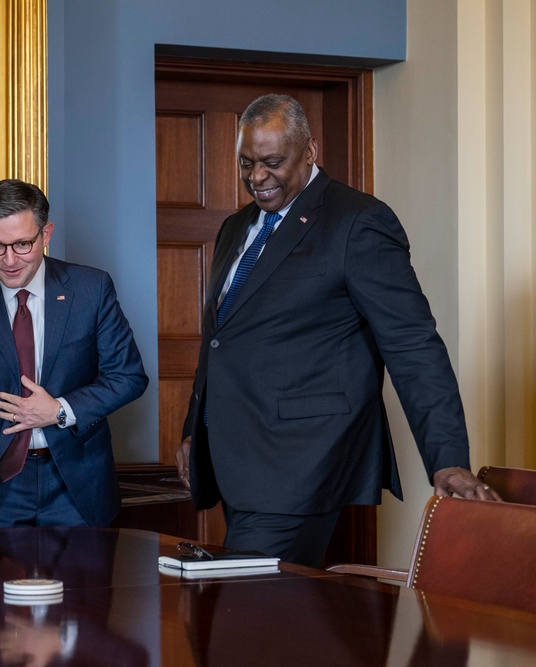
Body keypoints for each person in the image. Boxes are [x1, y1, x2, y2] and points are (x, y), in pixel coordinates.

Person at [176, 94, 499, 568]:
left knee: (248, 615)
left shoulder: (358, 223)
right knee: (277, 624)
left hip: (303, 462)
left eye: (272, 163)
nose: (257, 177)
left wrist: (447, 459)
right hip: (236, 460)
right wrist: (194, 433)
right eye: (246, 163)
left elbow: (413, 344)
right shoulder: (235, 228)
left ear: (310, 151)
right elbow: (221, 341)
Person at [0, 178, 148, 529]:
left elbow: (128, 377)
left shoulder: (90, 289)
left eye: (22, 244)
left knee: (86, 585)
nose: (9, 260)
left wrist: (59, 410)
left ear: (46, 234)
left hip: (75, 483)